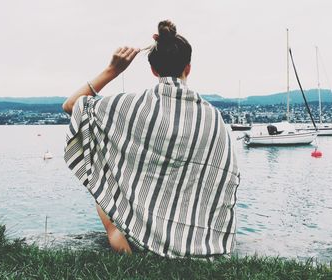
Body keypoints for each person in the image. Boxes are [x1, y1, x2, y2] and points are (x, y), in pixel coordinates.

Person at [63, 20, 240, 258]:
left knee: (103, 191)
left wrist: (112, 70)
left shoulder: (131, 106)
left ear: (153, 70)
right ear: (188, 68)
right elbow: (223, 174)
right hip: (196, 240)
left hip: (139, 236)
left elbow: (71, 105)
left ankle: (128, 252)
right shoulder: (211, 115)